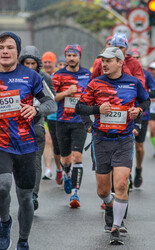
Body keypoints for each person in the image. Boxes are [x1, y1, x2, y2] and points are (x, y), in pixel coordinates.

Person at [75, 47, 150, 245]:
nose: (104, 64)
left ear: (120, 62)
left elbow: (146, 100)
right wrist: (96, 110)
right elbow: (80, 107)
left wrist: (138, 110)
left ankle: (116, 226)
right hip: (101, 140)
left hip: (124, 139)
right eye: (102, 61)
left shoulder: (133, 82)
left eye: (108, 60)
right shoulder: (95, 84)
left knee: (122, 183)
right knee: (103, 190)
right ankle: (109, 205)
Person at [0, 32, 55, 250]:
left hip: (25, 145)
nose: (5, 51)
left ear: (18, 52)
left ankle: (23, 240)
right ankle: (4, 223)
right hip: (1, 144)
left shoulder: (31, 76)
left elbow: (51, 104)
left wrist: (36, 108)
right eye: (1, 47)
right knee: (2, 187)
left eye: (10, 47)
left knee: (25, 198)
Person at [18, 45, 57, 210]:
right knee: (17, 163)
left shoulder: (44, 78)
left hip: (36, 124)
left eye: (32, 64)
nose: (29, 67)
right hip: (15, 126)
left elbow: (52, 103)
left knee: (34, 161)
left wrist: (37, 109)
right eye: (26, 63)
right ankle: (21, 193)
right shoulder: (14, 77)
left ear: (37, 65)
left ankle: (33, 195)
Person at [52, 44, 91, 208]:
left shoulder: (87, 74)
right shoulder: (58, 75)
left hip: (79, 122)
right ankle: (66, 173)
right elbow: (51, 98)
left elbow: (92, 95)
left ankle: (75, 193)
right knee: (65, 158)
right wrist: (67, 93)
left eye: (74, 55)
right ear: (65, 57)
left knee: (77, 157)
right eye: (68, 55)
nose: (71, 58)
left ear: (79, 57)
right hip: (62, 121)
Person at [129, 49, 155, 187]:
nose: (135, 60)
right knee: (126, 145)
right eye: (132, 57)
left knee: (139, 147)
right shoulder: (123, 74)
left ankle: (138, 169)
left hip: (142, 114)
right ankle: (126, 172)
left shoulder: (146, 74)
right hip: (126, 114)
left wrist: (143, 92)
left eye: (137, 57)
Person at [41, 51, 59, 180]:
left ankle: (61, 167)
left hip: (60, 115)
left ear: (54, 63)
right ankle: (48, 169)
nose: (47, 65)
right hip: (46, 115)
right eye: (45, 62)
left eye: (49, 62)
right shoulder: (39, 75)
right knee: (48, 141)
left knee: (57, 143)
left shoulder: (59, 75)